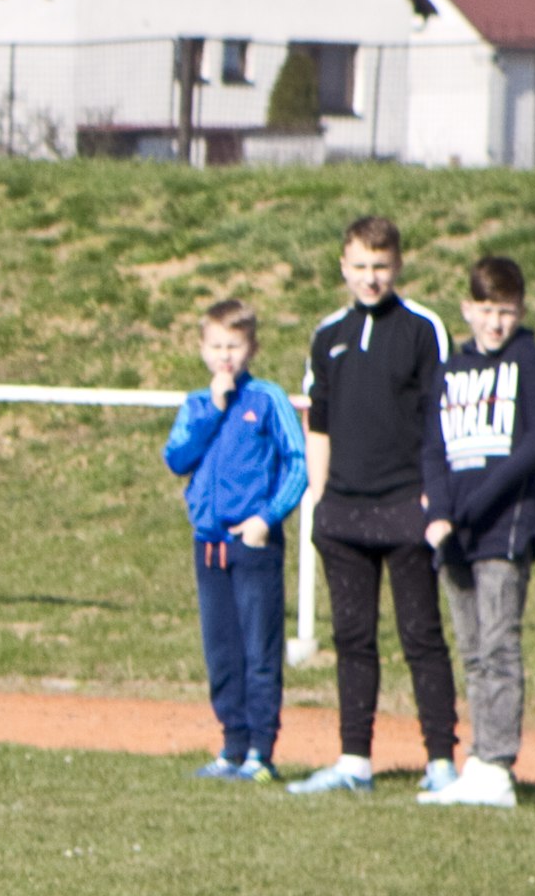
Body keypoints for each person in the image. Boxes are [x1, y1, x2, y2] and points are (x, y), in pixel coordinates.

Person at [288, 215, 459, 796]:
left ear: (398, 267)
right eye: (360, 266)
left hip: (406, 505)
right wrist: (319, 497)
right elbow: (321, 419)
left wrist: (433, 498)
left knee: (421, 636)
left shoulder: (422, 329)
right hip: (344, 512)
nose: (370, 278)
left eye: (380, 267)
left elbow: (443, 415)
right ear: (343, 266)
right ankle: (353, 761)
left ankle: (441, 762)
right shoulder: (327, 333)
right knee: (352, 638)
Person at [419, 255, 535, 809]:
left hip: (502, 526)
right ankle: (478, 759)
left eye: (505, 311)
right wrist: (437, 510)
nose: (495, 323)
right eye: (485, 310)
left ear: (521, 311)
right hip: (452, 530)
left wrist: (478, 502)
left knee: (500, 642)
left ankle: (498, 763)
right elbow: (432, 443)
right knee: (473, 647)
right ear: (467, 309)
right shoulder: (452, 368)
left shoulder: (528, 361)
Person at [163, 298, 309, 783]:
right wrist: (214, 408)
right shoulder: (197, 404)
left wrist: (267, 518)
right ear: (203, 350)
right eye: (217, 346)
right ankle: (231, 745)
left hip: (254, 544)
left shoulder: (267, 399)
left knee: (258, 650)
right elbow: (177, 457)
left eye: (235, 345)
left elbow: (298, 462)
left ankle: (260, 754)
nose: (226, 355)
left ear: (252, 348)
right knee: (221, 651)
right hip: (208, 543)